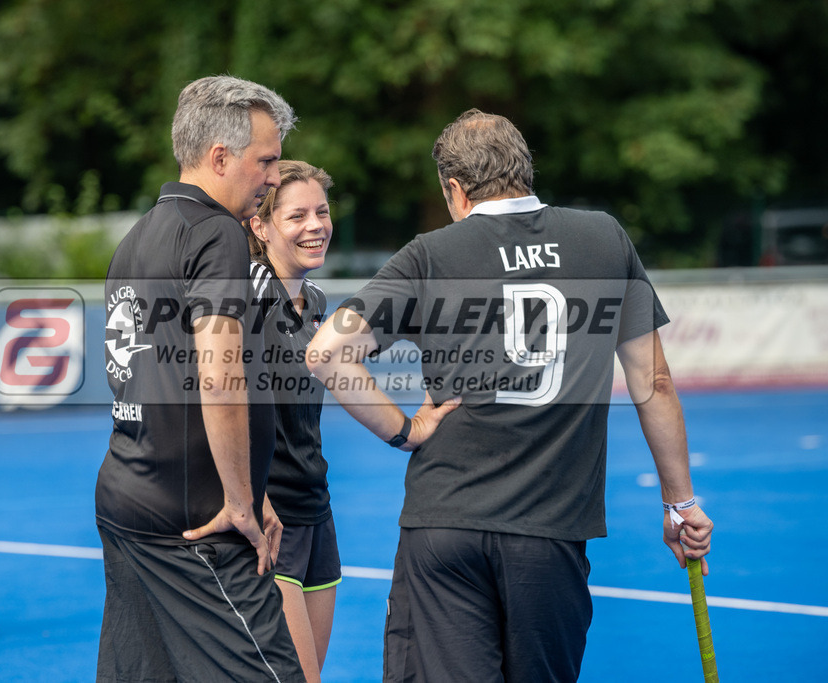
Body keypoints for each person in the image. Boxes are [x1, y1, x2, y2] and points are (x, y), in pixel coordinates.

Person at [306, 109, 714, 682]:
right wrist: (680, 501)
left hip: (444, 523)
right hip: (550, 531)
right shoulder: (603, 237)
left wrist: (403, 428)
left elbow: (326, 351)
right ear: (524, 168)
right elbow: (656, 384)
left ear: (455, 188)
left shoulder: (430, 253)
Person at [95, 76, 306, 682]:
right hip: (195, 525)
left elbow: (146, 373)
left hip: (128, 499)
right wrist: (239, 500)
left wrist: (245, 480)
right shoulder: (217, 233)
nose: (272, 177)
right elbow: (219, 375)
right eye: (265, 161)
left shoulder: (138, 239)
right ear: (220, 157)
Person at [246, 160, 338, 682]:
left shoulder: (317, 300)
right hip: (271, 518)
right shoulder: (249, 294)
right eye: (296, 215)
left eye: (321, 212)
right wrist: (253, 499)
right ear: (261, 227)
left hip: (316, 508)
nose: (315, 226)